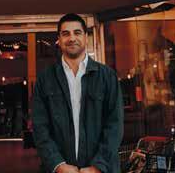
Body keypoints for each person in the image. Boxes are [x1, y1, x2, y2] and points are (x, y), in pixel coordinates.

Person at [32, 14, 123, 173]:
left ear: (86, 37)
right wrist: (58, 165)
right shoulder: (45, 79)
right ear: (59, 39)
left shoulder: (107, 76)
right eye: (65, 33)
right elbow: (40, 128)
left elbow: (115, 125)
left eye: (77, 32)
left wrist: (97, 166)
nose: (72, 38)